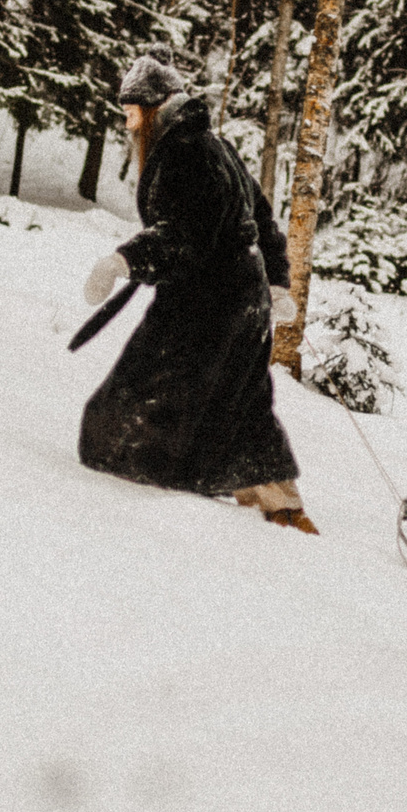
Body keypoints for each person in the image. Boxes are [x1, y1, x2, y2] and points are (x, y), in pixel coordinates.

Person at [78, 46, 317, 532]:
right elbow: (260, 218)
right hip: (241, 299)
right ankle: (279, 504)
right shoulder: (214, 145)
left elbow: (185, 234)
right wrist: (272, 283)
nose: (128, 126)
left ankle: (162, 493)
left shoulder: (184, 153)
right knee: (241, 399)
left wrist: (124, 260)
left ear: (154, 109)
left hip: (205, 303)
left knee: (131, 401)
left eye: (131, 114)